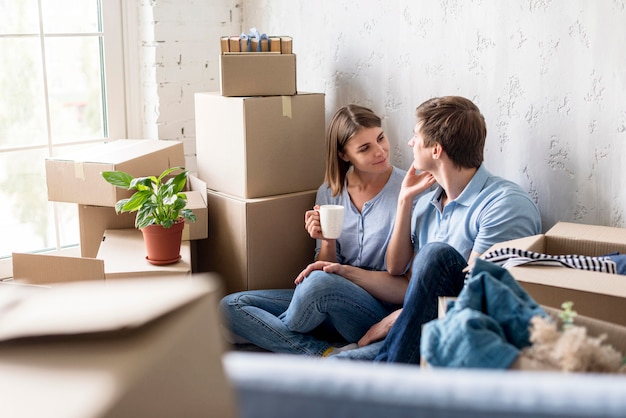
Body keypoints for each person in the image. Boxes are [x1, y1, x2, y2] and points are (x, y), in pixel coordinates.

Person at [333, 95, 542, 363]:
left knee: (435, 255)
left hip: (464, 333)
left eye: (415, 136)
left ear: (436, 150)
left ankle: (389, 376)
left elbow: (479, 296)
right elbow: (401, 275)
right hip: (419, 328)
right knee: (335, 365)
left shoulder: (505, 204)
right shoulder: (426, 204)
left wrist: (397, 317)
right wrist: (404, 199)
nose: (409, 143)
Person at [219, 104, 435, 356]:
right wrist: (326, 240)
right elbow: (325, 265)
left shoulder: (412, 190)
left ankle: (282, 334)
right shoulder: (330, 192)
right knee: (230, 305)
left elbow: (406, 286)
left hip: (376, 311)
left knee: (317, 284)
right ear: (344, 155)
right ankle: (324, 353)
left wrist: (342, 275)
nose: (380, 151)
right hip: (327, 300)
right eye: (365, 148)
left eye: (380, 138)